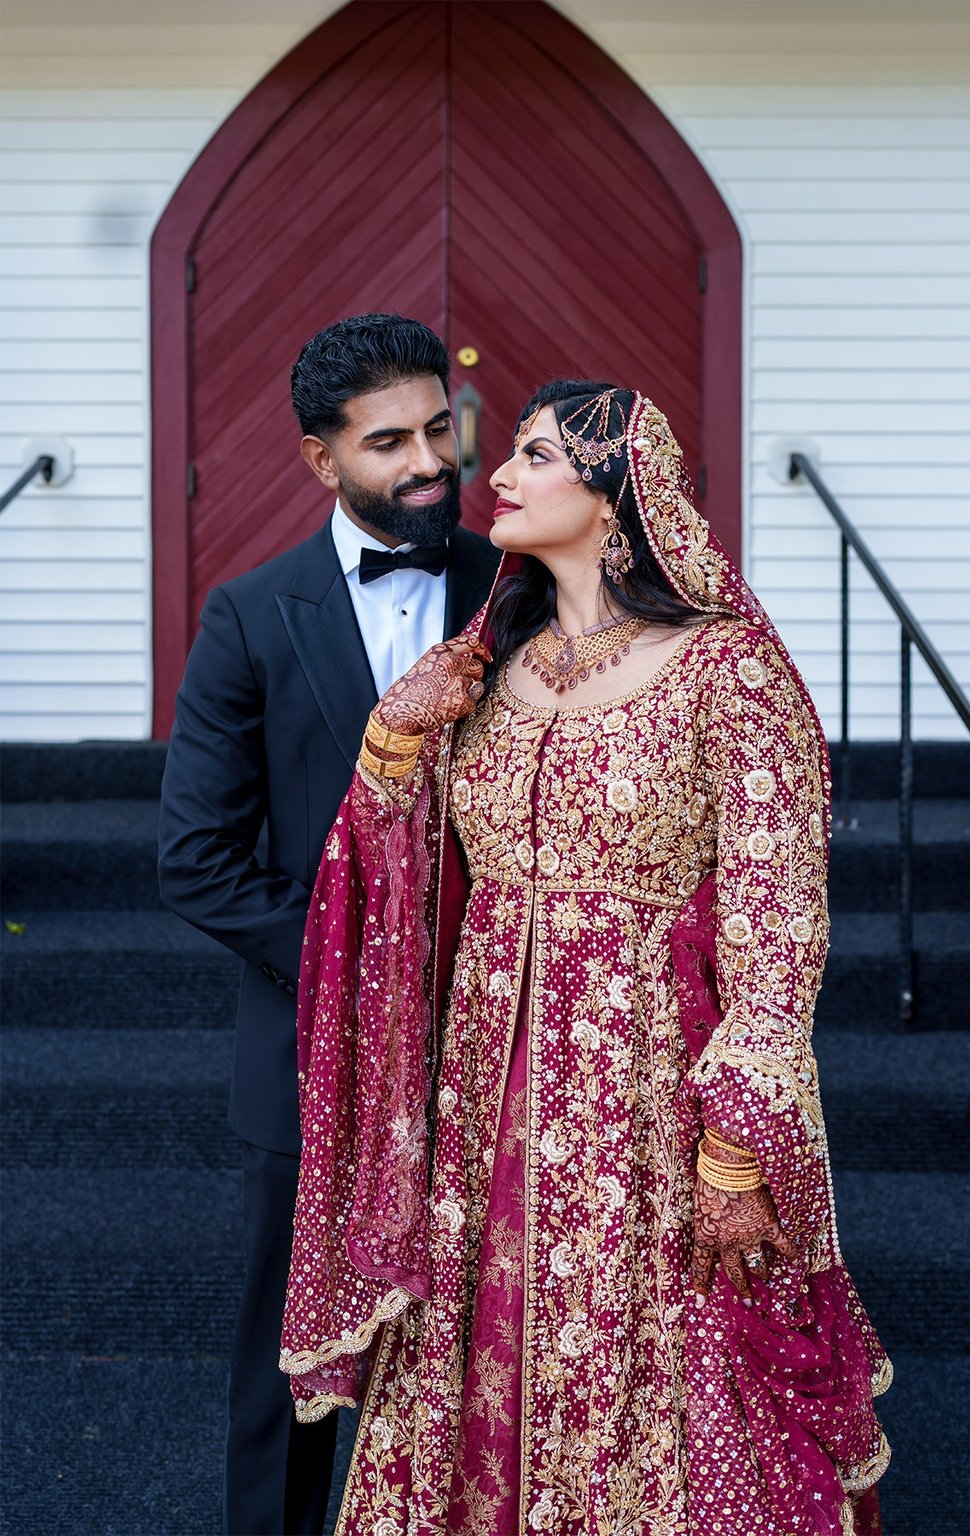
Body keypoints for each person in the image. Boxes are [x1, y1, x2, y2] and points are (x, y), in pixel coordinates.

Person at [280, 383, 891, 1535]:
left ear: (615, 497)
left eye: (535, 455)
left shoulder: (726, 673)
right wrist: (393, 739)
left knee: (665, 1360)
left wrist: (736, 1145)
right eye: (506, 454)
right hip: (478, 1107)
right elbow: (392, 880)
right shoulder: (485, 671)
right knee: (478, 1350)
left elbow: (779, 919)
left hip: (650, 1100)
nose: (496, 475)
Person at [156, 313, 500, 1536]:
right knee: (285, 1363)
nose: (426, 462)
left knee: (486, 1335)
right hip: (311, 1042)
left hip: (498, 1039)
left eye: (438, 430)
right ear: (322, 462)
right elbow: (194, 861)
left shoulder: (518, 590)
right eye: (388, 441)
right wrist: (360, 964)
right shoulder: (250, 616)